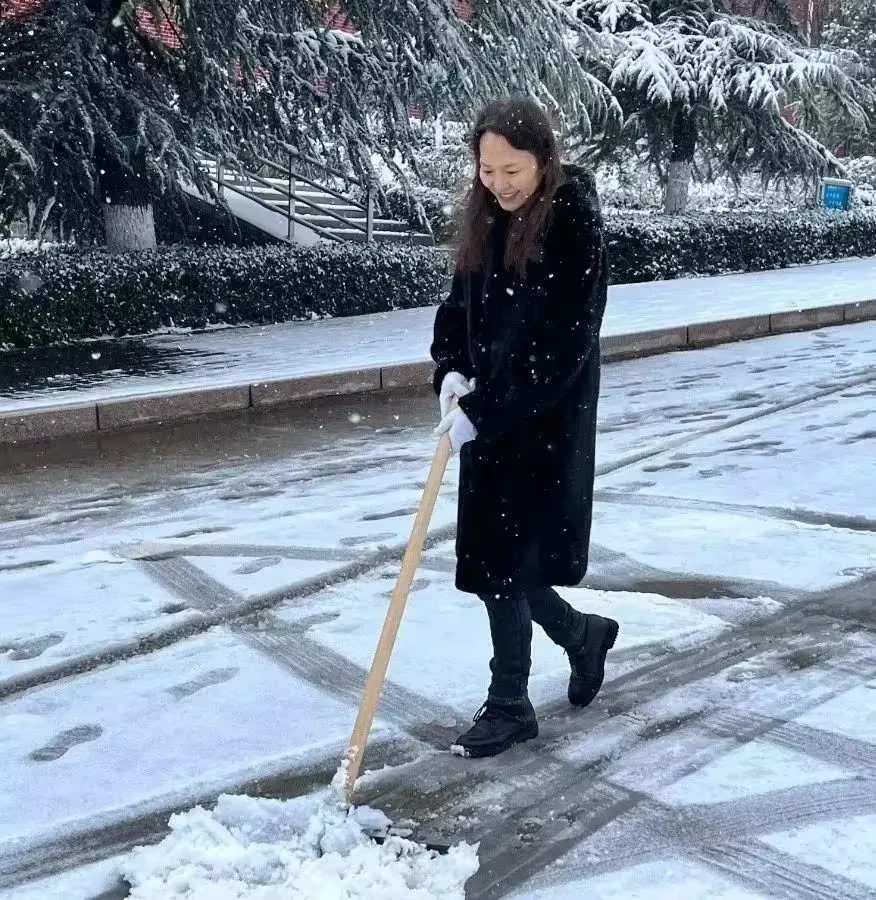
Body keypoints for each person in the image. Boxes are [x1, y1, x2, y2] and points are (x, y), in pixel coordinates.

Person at [430, 96, 619, 758]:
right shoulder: (485, 216)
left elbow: (562, 346)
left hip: (544, 420)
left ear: (543, 159)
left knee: (503, 561)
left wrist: (485, 410)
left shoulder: (573, 224)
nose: (500, 184)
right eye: (488, 171)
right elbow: (458, 305)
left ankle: (510, 701)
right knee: (501, 558)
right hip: (491, 412)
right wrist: (451, 370)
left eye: (512, 170)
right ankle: (582, 635)